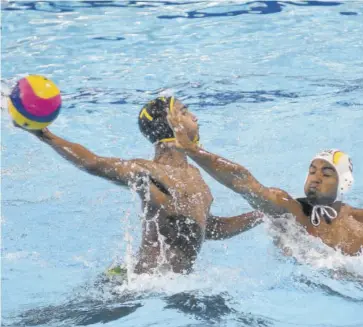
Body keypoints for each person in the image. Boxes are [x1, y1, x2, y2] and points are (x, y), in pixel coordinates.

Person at [16, 96, 263, 274]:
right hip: (143, 285)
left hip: (173, 287)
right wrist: (44, 135)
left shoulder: (195, 174)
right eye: (185, 111)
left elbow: (206, 229)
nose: (195, 117)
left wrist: (263, 215)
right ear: (172, 123)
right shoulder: (146, 171)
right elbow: (93, 163)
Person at [167, 110, 363, 262]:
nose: (315, 177)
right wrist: (194, 151)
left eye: (327, 173)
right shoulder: (288, 209)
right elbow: (244, 183)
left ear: (344, 184)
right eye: (312, 170)